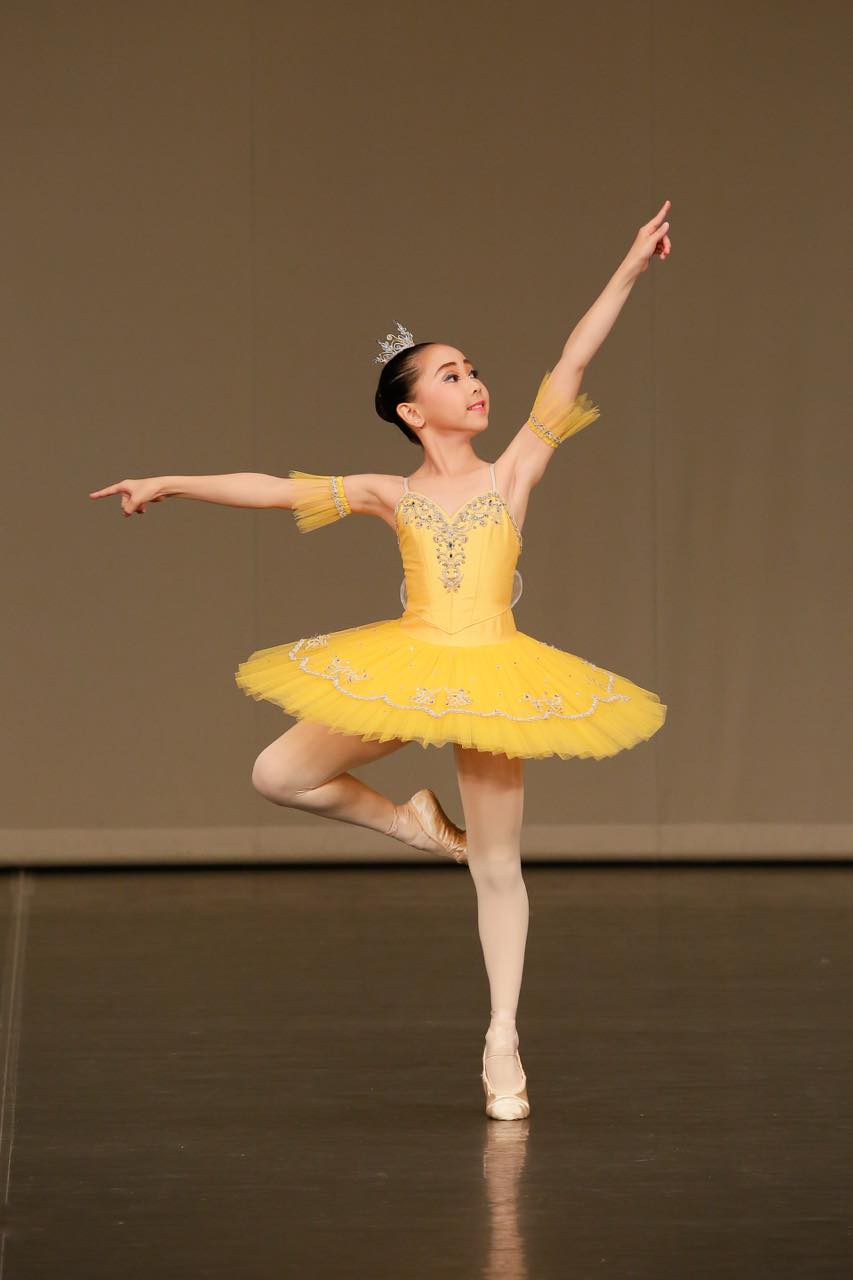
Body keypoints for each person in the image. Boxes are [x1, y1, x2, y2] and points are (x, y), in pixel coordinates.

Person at [89, 200, 673, 1120]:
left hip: (494, 674)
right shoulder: (389, 492)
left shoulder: (514, 469)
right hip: (409, 664)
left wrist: (629, 267)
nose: (474, 383)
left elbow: (572, 362)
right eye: (451, 374)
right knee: (278, 773)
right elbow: (273, 489)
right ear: (411, 410)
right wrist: (171, 481)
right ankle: (411, 824)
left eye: (473, 370)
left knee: (497, 866)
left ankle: (502, 1040)